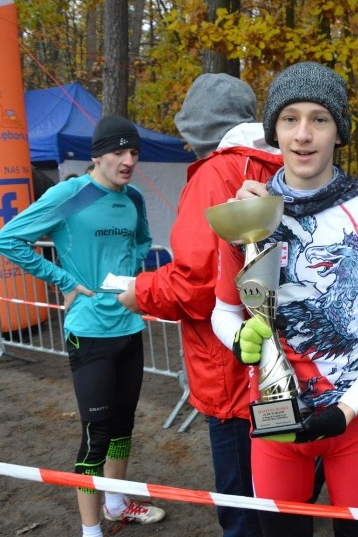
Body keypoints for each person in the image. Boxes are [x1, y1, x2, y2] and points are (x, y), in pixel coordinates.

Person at [212, 61, 358, 537]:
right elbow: (223, 313)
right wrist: (239, 335)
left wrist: (346, 410)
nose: (303, 134)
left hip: (351, 423)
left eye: (319, 119)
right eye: (290, 119)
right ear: (273, 131)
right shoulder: (249, 214)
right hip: (275, 423)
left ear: (339, 131)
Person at [117, 73, 282, 537]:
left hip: (230, 371)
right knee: (285, 493)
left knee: (242, 501)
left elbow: (194, 282)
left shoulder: (216, 172)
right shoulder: (286, 161)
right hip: (287, 364)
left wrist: (139, 292)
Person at [0, 115, 165, 537]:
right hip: (88, 331)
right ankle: (91, 532)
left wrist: (128, 274)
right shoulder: (70, 194)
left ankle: (117, 504)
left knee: (123, 426)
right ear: (97, 154)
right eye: (118, 152)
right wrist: (65, 280)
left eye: (134, 152)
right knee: (96, 434)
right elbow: (8, 240)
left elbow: (143, 239)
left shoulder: (134, 197)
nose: (128, 160)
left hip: (129, 326)